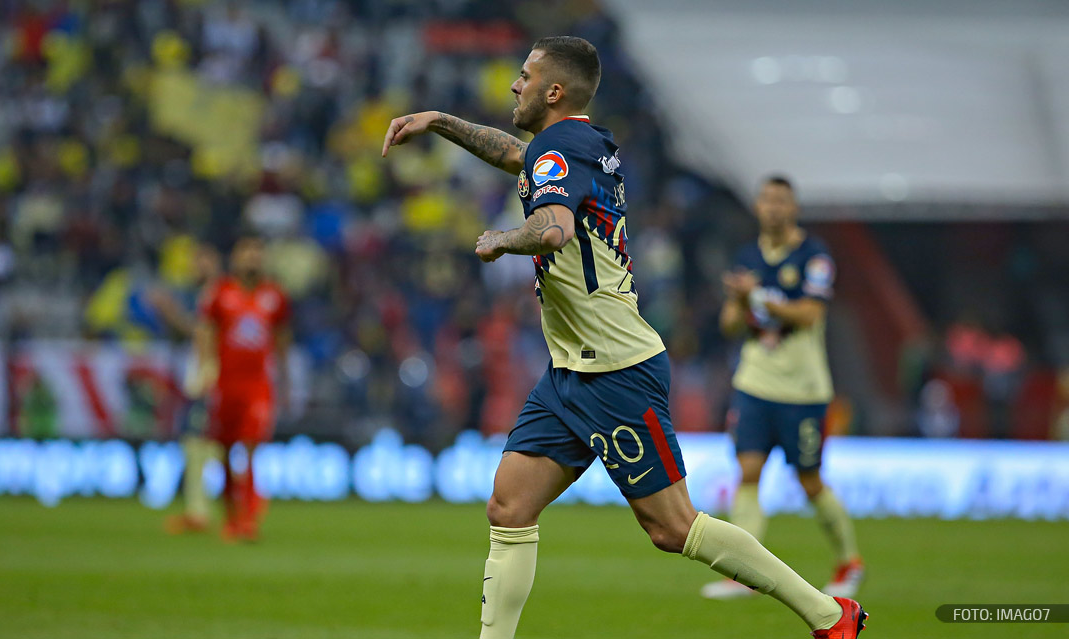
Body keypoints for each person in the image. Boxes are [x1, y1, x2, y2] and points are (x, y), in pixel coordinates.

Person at [382, 37, 866, 638]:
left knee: (673, 527)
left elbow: (554, 229)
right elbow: (516, 156)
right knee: (509, 506)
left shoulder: (561, 149)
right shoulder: (579, 145)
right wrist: (439, 121)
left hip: (615, 369)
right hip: (570, 372)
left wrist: (504, 239)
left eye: (526, 76)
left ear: (553, 92)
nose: (515, 84)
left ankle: (829, 614)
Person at [709, 176, 865, 600]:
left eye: (781, 201)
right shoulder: (746, 257)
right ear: (758, 207)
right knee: (748, 473)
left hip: (803, 391)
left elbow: (810, 315)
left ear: (793, 208)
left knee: (810, 481)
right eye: (766, 200)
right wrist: (740, 301)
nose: (773, 208)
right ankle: (744, 573)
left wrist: (756, 296)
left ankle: (850, 562)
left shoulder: (814, 256)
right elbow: (728, 325)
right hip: (754, 383)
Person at [194, 233, 291, 542]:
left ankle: (249, 519)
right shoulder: (220, 293)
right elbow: (207, 331)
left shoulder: (274, 295)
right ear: (235, 256)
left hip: (258, 385)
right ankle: (231, 517)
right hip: (226, 384)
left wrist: (285, 378)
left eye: (256, 252)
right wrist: (206, 367)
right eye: (246, 251)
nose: (252, 257)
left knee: (250, 449)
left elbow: (282, 339)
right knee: (223, 450)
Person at [164, 242, 224, 534]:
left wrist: (207, 375)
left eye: (203, 260)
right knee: (198, 444)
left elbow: (206, 335)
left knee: (201, 443)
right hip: (205, 376)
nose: (196, 266)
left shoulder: (217, 294)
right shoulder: (204, 295)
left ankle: (203, 511)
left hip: (210, 378)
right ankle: (199, 510)